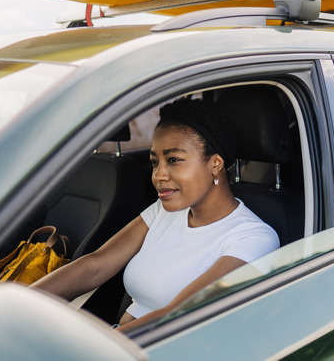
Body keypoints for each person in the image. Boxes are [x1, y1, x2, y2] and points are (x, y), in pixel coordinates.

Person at [32, 98, 280, 330]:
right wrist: (17, 302)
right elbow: (94, 266)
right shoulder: (164, 210)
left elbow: (176, 315)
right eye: (154, 162)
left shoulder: (253, 238)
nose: (158, 175)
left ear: (215, 164)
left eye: (173, 160)